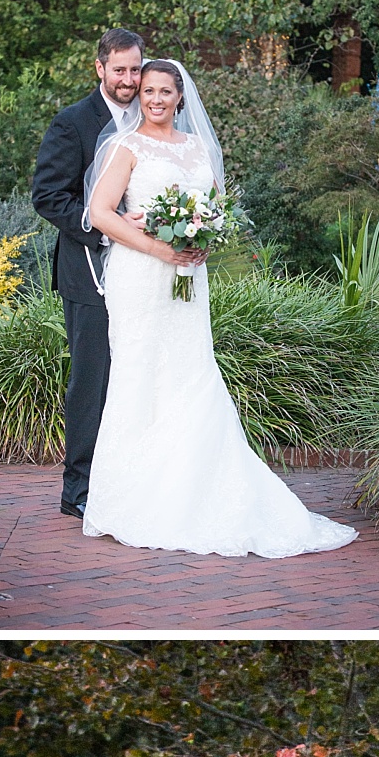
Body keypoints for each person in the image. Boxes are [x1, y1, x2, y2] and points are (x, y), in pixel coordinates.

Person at [82, 57, 357, 561]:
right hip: (142, 276)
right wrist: (158, 246)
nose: (157, 99)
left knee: (191, 373)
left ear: (181, 96)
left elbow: (215, 209)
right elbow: (100, 213)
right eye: (148, 91)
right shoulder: (125, 146)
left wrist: (201, 240)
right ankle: (132, 498)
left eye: (166, 91)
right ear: (138, 96)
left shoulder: (199, 148)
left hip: (189, 273)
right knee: (140, 376)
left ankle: (199, 489)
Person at [31, 27, 143, 519]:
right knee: (91, 380)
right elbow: (49, 196)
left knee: (136, 376)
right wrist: (106, 228)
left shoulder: (153, 117)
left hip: (144, 272)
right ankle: (77, 488)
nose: (128, 79)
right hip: (88, 273)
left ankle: (129, 479)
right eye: (119, 69)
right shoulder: (73, 122)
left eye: (135, 69)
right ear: (100, 69)